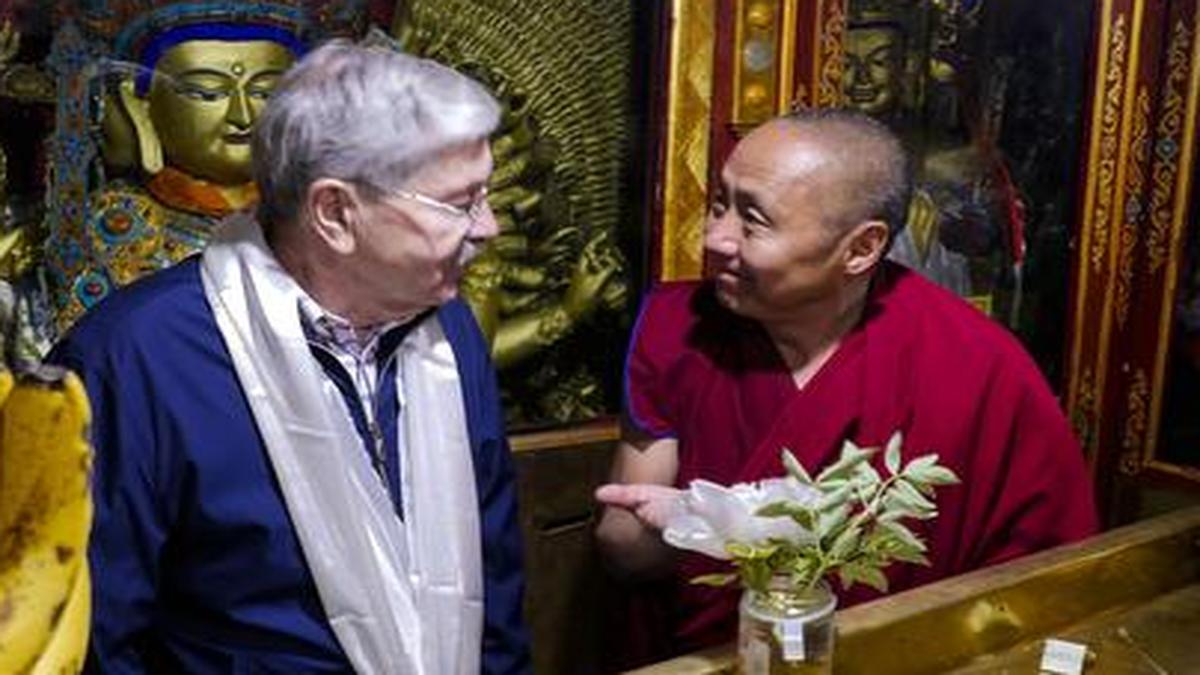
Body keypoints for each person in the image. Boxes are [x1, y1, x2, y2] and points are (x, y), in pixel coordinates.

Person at [50, 41, 531, 674]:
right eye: (461, 203)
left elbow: (493, 594)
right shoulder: (135, 358)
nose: (489, 227)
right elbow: (89, 643)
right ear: (335, 212)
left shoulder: (451, 334)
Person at [594, 109, 1096, 663]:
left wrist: (745, 525)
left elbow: (1045, 584)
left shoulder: (976, 365)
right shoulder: (679, 329)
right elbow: (622, 548)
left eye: (752, 222)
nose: (715, 238)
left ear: (860, 249)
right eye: (719, 204)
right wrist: (695, 524)